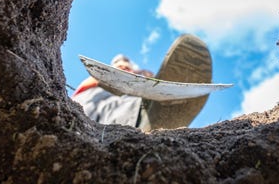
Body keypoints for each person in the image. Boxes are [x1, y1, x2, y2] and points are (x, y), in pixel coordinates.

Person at [72, 34, 212, 131]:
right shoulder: (93, 80)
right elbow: (90, 84)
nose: (123, 67)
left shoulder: (136, 77)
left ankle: (153, 113)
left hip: (126, 98)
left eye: (126, 65)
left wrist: (149, 80)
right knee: (108, 109)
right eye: (119, 65)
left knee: (129, 103)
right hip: (91, 98)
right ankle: (148, 116)